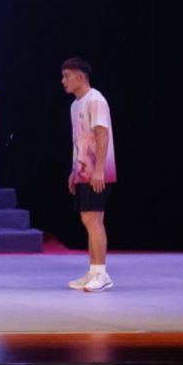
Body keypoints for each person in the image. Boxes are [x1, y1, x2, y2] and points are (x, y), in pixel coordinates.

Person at [61, 57, 115, 291]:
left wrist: (99, 169)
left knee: (94, 220)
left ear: (80, 76)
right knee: (88, 219)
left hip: (98, 171)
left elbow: (102, 135)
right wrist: (75, 172)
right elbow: (79, 142)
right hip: (84, 171)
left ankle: (101, 274)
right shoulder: (75, 105)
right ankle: (93, 270)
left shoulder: (96, 100)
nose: (63, 81)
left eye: (66, 76)